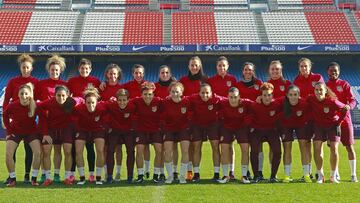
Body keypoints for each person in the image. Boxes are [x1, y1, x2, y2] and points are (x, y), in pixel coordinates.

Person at [3, 54, 38, 184]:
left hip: (29, 123)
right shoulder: (13, 81)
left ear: (31, 68)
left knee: (30, 150)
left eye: (27, 67)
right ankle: (11, 176)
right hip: (15, 123)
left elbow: (37, 102)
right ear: (20, 68)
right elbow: (6, 100)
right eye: (23, 67)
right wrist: (9, 119)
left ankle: (28, 175)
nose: (25, 69)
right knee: (11, 151)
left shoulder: (36, 82)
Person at [37, 85, 82, 186]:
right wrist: (45, 133)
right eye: (58, 95)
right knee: (46, 151)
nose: (61, 98)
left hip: (66, 129)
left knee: (67, 150)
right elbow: (39, 108)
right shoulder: (49, 102)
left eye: (63, 96)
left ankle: (67, 178)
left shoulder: (72, 101)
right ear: (54, 95)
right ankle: (48, 178)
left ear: (68, 96)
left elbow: (80, 100)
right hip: (51, 130)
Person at [35, 54, 67, 184]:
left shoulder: (65, 84)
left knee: (58, 150)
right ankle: (45, 174)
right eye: (52, 70)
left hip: (59, 124)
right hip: (45, 123)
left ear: (60, 71)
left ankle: (57, 174)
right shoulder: (41, 84)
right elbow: (36, 103)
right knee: (45, 150)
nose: (54, 72)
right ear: (48, 70)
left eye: (56, 70)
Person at [67, 58, 100, 182]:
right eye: (82, 68)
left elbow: (99, 99)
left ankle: (91, 174)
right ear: (78, 69)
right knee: (76, 148)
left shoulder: (95, 81)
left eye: (86, 68)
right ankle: (72, 173)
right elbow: (68, 98)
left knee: (90, 148)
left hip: (90, 119)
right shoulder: (71, 81)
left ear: (90, 69)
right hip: (76, 120)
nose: (84, 70)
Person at [3, 83, 42, 186]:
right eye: (22, 93)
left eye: (26, 93)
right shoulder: (12, 105)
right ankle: (12, 179)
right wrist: (9, 131)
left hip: (31, 132)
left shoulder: (35, 105)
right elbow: (5, 115)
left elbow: (43, 119)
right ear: (18, 95)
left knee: (38, 153)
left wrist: (43, 132)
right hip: (15, 132)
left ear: (30, 94)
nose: (24, 96)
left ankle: (33, 179)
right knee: (8, 154)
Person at [307, 82, 346, 183]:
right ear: (314, 91)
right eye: (316, 90)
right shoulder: (310, 99)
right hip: (318, 127)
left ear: (325, 91)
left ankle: (333, 176)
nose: (318, 92)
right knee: (317, 148)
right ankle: (320, 175)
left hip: (332, 126)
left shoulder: (332, 101)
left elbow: (345, 108)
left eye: (321, 90)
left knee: (334, 148)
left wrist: (339, 122)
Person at [326, 62, 357, 182]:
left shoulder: (345, 84)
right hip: (332, 122)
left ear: (339, 72)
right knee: (334, 148)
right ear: (327, 72)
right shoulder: (325, 86)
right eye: (331, 70)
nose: (333, 72)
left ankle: (353, 174)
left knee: (349, 147)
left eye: (335, 70)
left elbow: (353, 100)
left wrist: (349, 106)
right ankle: (336, 173)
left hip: (345, 121)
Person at [293, 57, 324, 179]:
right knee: (304, 145)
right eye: (301, 66)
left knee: (317, 145)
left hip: (317, 118)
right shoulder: (296, 80)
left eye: (306, 66)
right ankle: (307, 173)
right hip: (303, 118)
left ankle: (319, 172)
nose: (304, 68)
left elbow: (323, 94)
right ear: (299, 68)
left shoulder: (317, 78)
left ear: (310, 67)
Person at [207, 56, 237, 179]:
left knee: (229, 145)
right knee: (215, 146)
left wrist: (220, 98)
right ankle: (216, 172)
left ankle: (231, 171)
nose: (222, 67)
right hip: (214, 118)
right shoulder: (211, 80)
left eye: (224, 65)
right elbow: (210, 97)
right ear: (216, 67)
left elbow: (235, 98)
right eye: (219, 65)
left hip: (229, 118)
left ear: (227, 66)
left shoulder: (233, 79)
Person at [179, 56, 208, 180]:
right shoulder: (183, 80)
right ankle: (189, 171)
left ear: (200, 66)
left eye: (196, 65)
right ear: (188, 66)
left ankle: (196, 172)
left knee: (197, 146)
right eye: (192, 65)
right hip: (186, 119)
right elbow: (178, 96)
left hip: (200, 119)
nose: (194, 67)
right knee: (188, 146)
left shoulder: (205, 80)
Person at [249, 83, 282, 183]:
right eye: (264, 95)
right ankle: (256, 176)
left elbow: (286, 100)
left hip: (272, 130)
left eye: (269, 95)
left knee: (277, 152)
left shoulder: (277, 105)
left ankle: (273, 176)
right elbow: (249, 116)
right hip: (258, 130)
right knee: (254, 151)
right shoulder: (255, 105)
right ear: (261, 96)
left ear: (272, 95)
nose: (267, 97)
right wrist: (251, 127)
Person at [218, 87, 252, 184]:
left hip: (241, 128)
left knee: (245, 149)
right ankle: (225, 175)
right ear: (227, 97)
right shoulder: (223, 103)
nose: (233, 99)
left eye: (235, 97)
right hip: (227, 128)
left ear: (239, 97)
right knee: (224, 149)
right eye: (231, 97)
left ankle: (244, 175)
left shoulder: (246, 103)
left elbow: (257, 104)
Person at [189, 83, 221, 183]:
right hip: (197, 125)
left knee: (215, 146)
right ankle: (196, 174)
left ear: (211, 93)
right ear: (199, 93)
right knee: (196, 147)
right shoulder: (193, 98)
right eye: (202, 93)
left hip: (212, 125)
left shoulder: (217, 99)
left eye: (207, 93)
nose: (205, 95)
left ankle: (216, 173)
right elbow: (181, 97)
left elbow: (229, 99)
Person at [74, 86, 107, 185]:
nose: (91, 105)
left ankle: (98, 177)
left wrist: (104, 126)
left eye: (93, 102)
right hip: (83, 130)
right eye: (88, 102)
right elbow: (72, 117)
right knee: (78, 151)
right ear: (85, 102)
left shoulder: (102, 107)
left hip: (97, 130)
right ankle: (82, 177)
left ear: (97, 102)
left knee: (100, 150)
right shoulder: (79, 108)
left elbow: (110, 110)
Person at [279, 85, 312, 183]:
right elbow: (271, 102)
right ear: (287, 95)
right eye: (291, 95)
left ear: (299, 95)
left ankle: (306, 175)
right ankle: (287, 175)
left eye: (295, 94)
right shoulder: (281, 102)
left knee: (303, 146)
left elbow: (309, 116)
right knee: (287, 148)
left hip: (300, 126)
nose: (293, 97)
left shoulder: (304, 104)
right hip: (286, 126)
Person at [236, 62, 263, 179]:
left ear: (253, 71)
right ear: (242, 71)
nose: (248, 72)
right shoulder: (238, 85)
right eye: (246, 69)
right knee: (245, 148)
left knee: (258, 147)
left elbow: (265, 96)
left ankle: (259, 172)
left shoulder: (259, 83)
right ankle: (245, 172)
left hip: (257, 119)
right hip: (242, 120)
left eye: (250, 70)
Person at [266, 60, 292, 182]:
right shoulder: (265, 84)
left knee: (287, 147)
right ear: (269, 71)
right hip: (271, 122)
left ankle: (287, 174)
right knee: (273, 148)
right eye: (273, 69)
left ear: (281, 70)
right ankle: (273, 174)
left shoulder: (287, 84)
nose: (275, 71)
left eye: (277, 69)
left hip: (286, 122)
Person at [133, 82, 163, 183]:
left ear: (153, 94)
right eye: (145, 94)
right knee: (139, 150)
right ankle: (140, 175)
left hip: (155, 130)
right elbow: (124, 103)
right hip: (141, 130)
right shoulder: (136, 101)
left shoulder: (159, 101)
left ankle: (156, 174)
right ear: (141, 94)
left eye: (150, 94)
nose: (147, 96)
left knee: (159, 150)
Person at [162, 82, 191, 184]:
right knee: (168, 151)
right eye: (173, 91)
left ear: (181, 92)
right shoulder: (165, 102)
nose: (175, 93)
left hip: (183, 129)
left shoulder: (187, 102)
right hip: (169, 129)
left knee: (185, 151)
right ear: (169, 92)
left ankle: (182, 176)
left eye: (177, 91)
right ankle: (170, 176)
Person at [105, 89, 135, 183]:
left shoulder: (132, 107)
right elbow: (102, 107)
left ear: (128, 100)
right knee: (110, 151)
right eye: (120, 100)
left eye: (124, 100)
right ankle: (109, 176)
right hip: (115, 131)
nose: (122, 102)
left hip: (128, 132)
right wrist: (107, 126)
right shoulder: (111, 106)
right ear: (116, 100)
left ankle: (130, 176)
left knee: (130, 151)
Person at [99, 63, 123, 181]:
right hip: (105, 123)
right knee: (105, 148)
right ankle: (106, 172)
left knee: (118, 148)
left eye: (115, 73)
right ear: (107, 75)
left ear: (118, 75)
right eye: (110, 73)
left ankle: (118, 172)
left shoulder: (122, 89)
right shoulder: (102, 88)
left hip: (118, 123)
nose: (112, 75)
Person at [155, 65, 177, 181]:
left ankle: (174, 171)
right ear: (159, 74)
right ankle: (162, 172)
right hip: (159, 122)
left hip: (173, 122)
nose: (164, 74)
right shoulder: (155, 87)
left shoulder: (174, 87)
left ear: (170, 74)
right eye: (162, 72)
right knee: (161, 149)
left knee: (174, 147)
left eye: (167, 72)